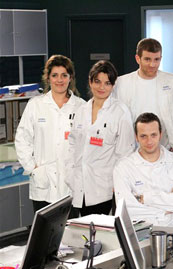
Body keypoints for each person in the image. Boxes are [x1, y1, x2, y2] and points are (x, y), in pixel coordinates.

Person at [15, 55, 85, 212]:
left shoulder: (81, 107)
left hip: (71, 186)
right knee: (45, 234)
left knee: (70, 233)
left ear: (70, 78)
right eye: (55, 75)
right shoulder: (36, 105)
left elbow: (86, 145)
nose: (59, 80)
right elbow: (22, 139)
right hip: (43, 184)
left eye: (64, 75)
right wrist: (33, 167)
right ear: (48, 78)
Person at [66, 60, 135, 216]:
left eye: (107, 83)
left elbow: (125, 153)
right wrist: (69, 174)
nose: (101, 87)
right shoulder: (81, 110)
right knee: (85, 232)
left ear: (113, 85)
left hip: (104, 188)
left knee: (101, 234)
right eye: (97, 81)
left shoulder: (120, 112)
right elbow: (73, 145)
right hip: (80, 184)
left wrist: (118, 184)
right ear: (90, 82)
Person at [113, 113, 173, 227]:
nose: (149, 141)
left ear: (160, 134)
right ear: (136, 137)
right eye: (143, 136)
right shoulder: (123, 167)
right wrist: (166, 209)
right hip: (140, 230)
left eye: (153, 135)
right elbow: (128, 209)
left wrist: (144, 198)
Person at [113, 38, 173, 150]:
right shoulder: (121, 83)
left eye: (156, 59)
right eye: (147, 59)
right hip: (132, 150)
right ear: (138, 59)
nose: (152, 64)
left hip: (166, 149)